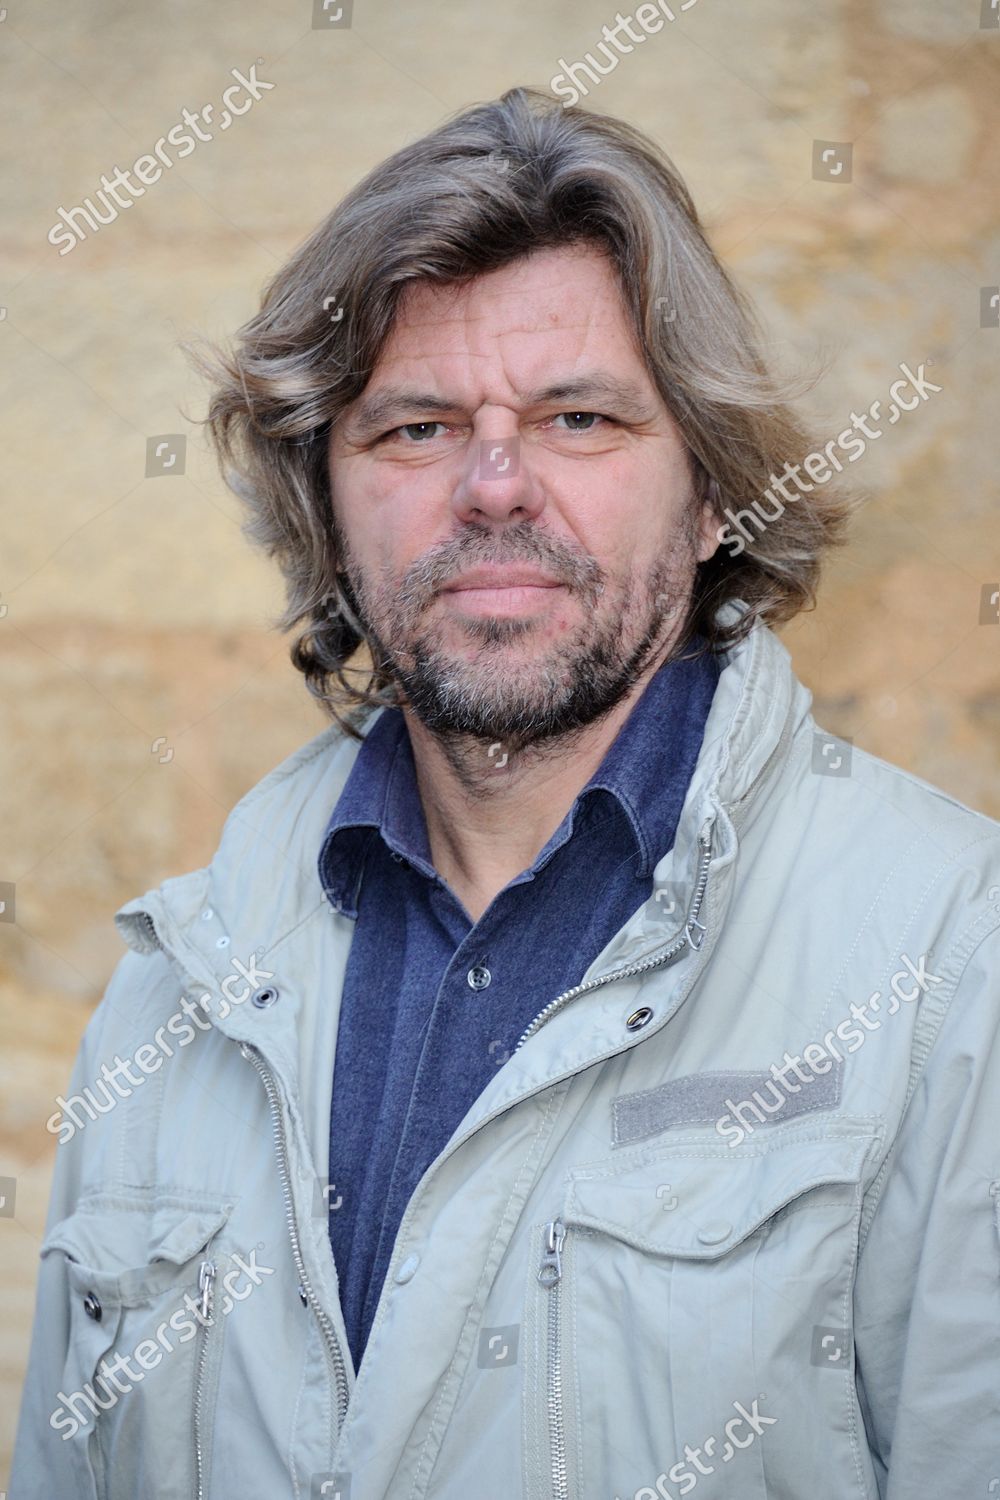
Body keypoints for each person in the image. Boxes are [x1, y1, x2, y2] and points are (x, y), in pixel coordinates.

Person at [11, 85, 1000, 1500]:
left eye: (578, 417)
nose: (492, 485)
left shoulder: (955, 962)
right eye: (414, 429)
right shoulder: (178, 987)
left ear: (714, 496)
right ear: (329, 512)